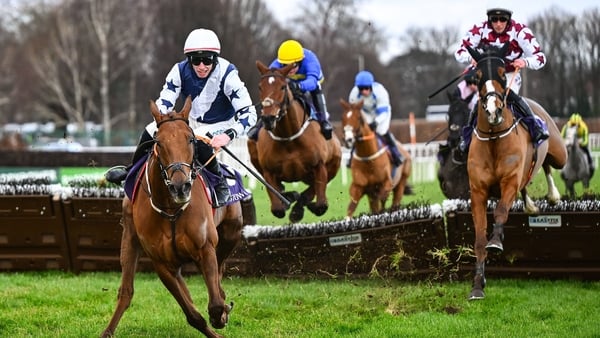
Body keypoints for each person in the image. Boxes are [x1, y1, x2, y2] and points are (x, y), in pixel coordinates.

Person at [105, 28, 257, 207]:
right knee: (151, 128)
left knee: (199, 136)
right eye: (196, 60)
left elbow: (250, 114)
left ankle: (219, 182)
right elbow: (165, 100)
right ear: (189, 59)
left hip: (223, 123)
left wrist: (228, 135)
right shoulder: (178, 70)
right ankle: (132, 169)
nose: (201, 66)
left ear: (215, 58)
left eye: (207, 60)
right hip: (191, 122)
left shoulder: (228, 74)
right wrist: (162, 120)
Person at [455, 6, 549, 154]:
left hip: (509, 73)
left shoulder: (520, 31)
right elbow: (459, 51)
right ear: (489, 20)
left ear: (508, 20)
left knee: (508, 94)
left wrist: (525, 62)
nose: (498, 23)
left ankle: (535, 127)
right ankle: (466, 138)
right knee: (481, 99)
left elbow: (540, 57)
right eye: (494, 20)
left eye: (502, 19)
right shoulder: (479, 29)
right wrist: (470, 58)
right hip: (488, 74)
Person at [247, 39, 333, 140]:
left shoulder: (311, 61)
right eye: (285, 65)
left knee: (316, 90)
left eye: (293, 65)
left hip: (310, 82)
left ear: (300, 61)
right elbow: (270, 82)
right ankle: (259, 125)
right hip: (289, 82)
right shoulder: (276, 64)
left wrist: (299, 86)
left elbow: (312, 82)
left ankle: (324, 121)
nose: (290, 69)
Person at [348, 70, 404, 167]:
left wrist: (376, 122)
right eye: (361, 88)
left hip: (382, 113)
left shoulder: (380, 92)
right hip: (366, 112)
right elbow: (354, 112)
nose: (364, 91)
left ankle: (396, 154)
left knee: (381, 131)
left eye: (366, 88)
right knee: (360, 131)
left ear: (371, 86)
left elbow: (383, 113)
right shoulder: (353, 94)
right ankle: (351, 157)